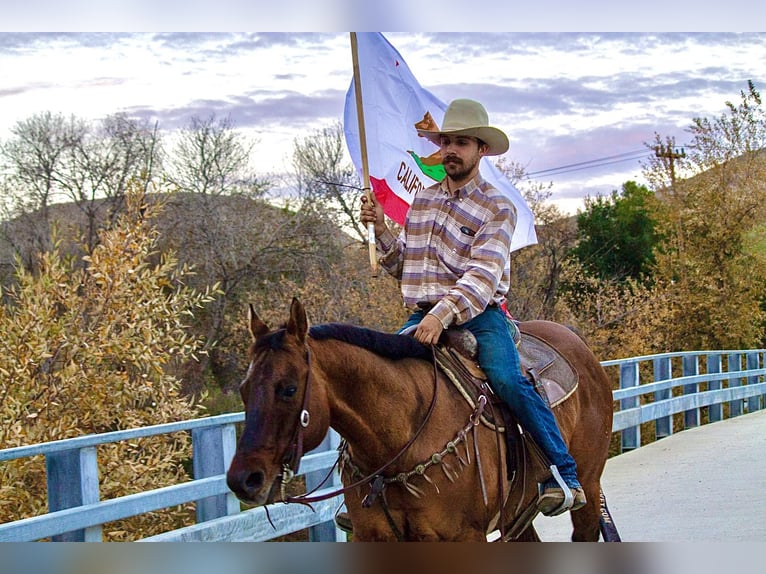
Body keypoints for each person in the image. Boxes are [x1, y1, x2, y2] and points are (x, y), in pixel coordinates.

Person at [359, 98, 585, 518]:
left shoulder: (498, 208)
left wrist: (440, 315)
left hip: (478, 316)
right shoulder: (423, 202)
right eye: (446, 141)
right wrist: (380, 230)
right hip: (422, 312)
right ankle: (368, 487)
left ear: (481, 150)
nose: (451, 150)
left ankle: (563, 474)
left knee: (509, 380)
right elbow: (403, 266)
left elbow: (481, 278)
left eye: (462, 142)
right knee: (376, 382)